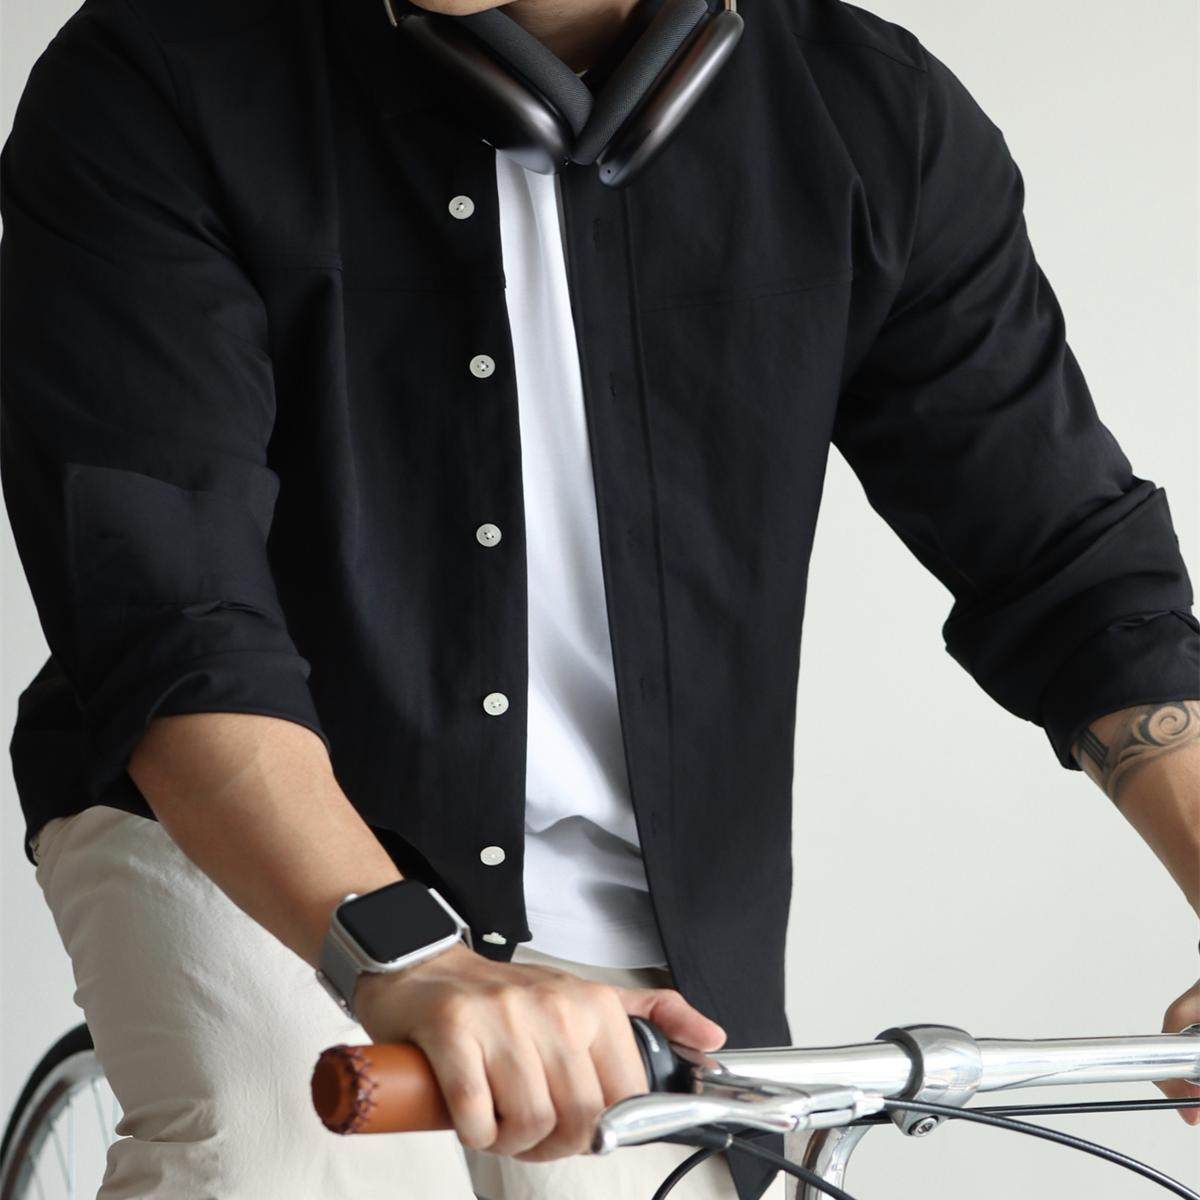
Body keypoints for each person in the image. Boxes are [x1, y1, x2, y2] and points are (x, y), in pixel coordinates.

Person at [1, 0, 1197, 1197]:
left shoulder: (871, 116)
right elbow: (168, 602)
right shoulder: (161, 70)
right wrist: (404, 952)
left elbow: (1071, 569)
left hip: (641, 920)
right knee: (273, 1151)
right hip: (236, 833)